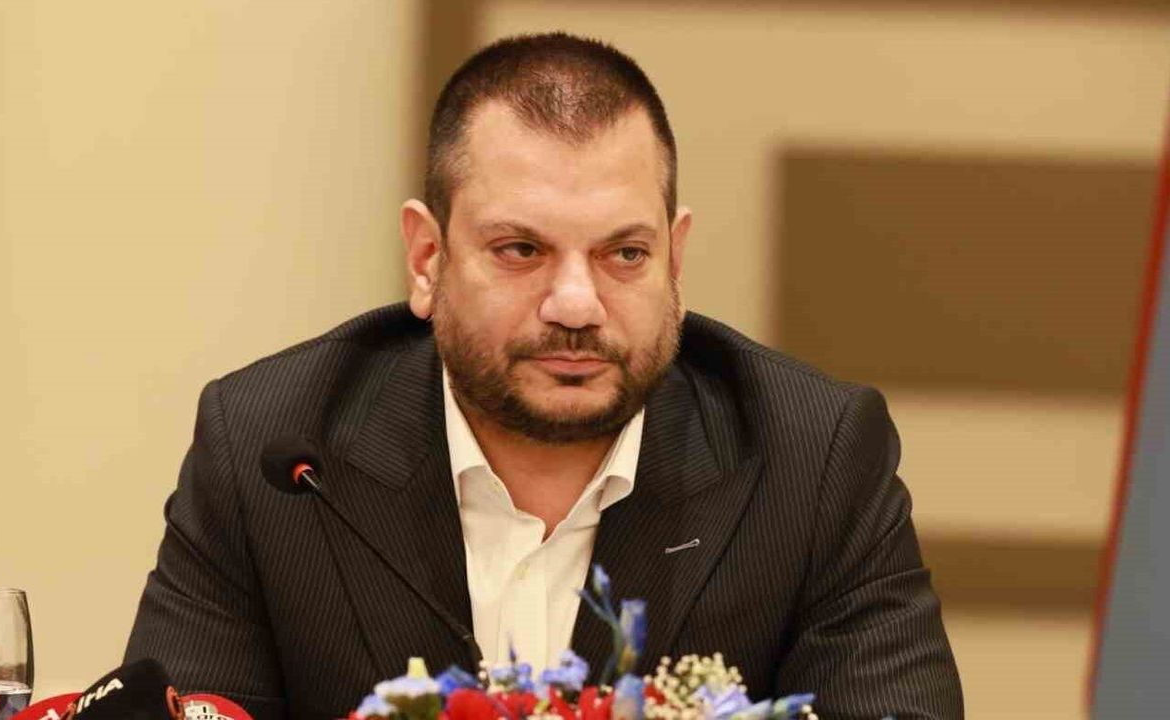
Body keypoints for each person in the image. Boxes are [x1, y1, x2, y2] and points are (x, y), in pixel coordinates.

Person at [126, 33, 962, 719]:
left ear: (674, 261)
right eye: (521, 250)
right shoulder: (274, 452)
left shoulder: (812, 459)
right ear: (427, 258)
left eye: (624, 254)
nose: (576, 304)